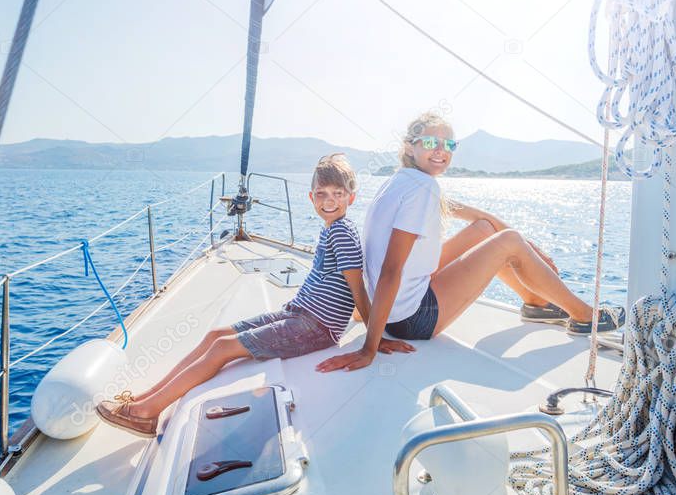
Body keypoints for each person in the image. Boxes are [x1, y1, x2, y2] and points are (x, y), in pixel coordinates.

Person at [96, 154, 414, 436]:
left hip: (318, 327)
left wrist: (375, 340)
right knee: (214, 336)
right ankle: (143, 399)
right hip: (300, 314)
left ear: (351, 198)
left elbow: (356, 289)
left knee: (223, 348)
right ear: (310, 197)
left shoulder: (342, 233)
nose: (328, 200)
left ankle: (146, 413)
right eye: (321, 194)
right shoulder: (331, 227)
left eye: (337, 194)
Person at [317, 112, 623, 373]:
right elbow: (390, 270)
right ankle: (585, 317)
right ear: (410, 148)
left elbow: (479, 218)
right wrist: (370, 346)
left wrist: (533, 251)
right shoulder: (422, 188)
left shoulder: (403, 180)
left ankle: (536, 303)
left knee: (485, 230)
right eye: (430, 143)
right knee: (509, 241)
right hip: (413, 319)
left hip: (394, 311)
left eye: (448, 144)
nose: (441, 151)